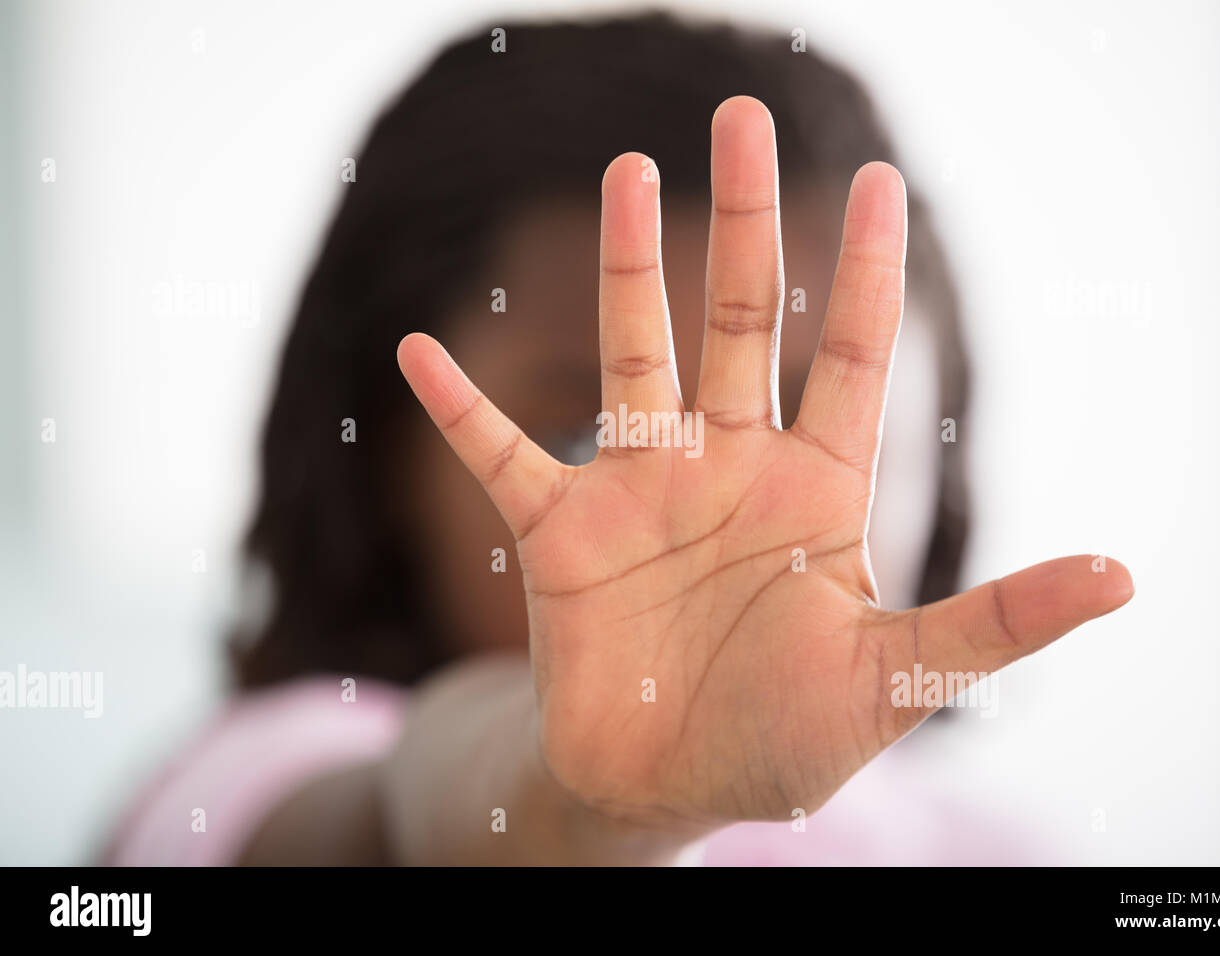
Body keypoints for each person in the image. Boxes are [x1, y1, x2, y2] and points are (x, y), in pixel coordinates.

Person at [100, 12, 1132, 866]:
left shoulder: (988, 847)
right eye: (583, 430)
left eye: (802, 422)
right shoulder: (271, 773)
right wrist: (588, 803)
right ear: (382, 465)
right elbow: (402, 807)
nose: (710, 516)